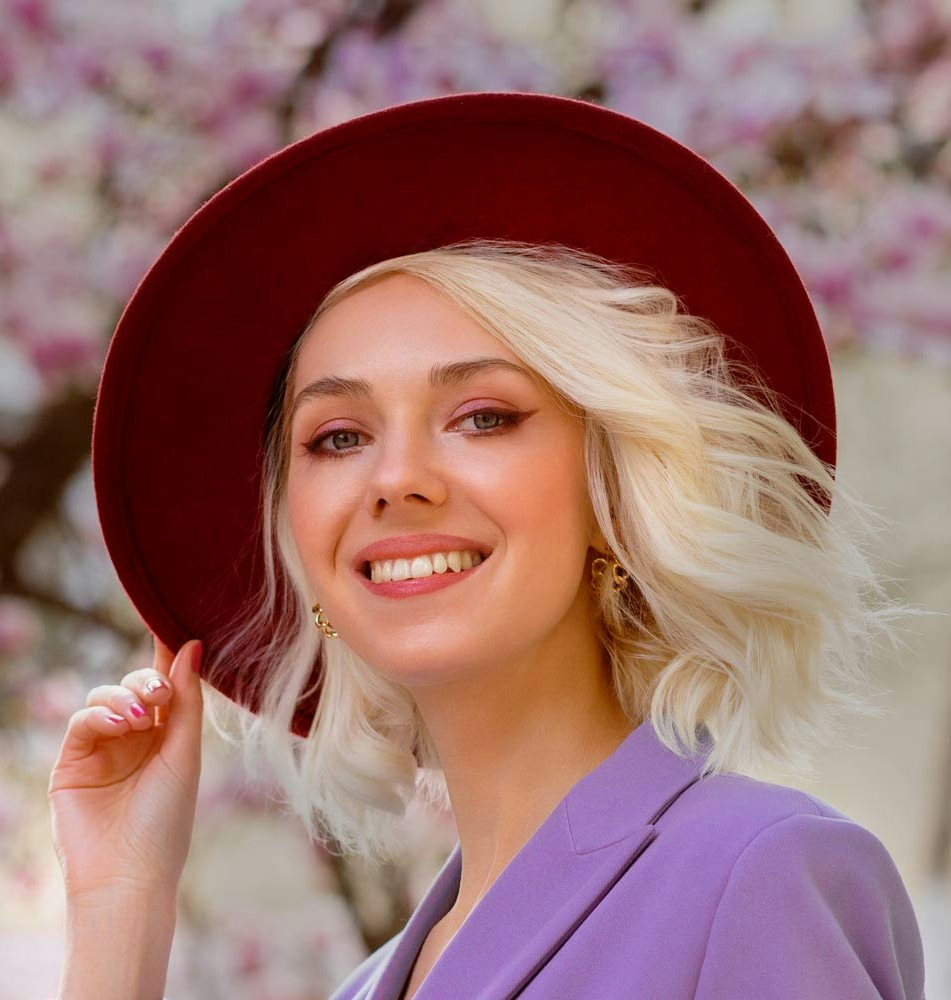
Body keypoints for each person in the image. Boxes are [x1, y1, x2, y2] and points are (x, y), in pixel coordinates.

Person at [49, 93, 927, 999]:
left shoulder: (759, 876)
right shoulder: (366, 989)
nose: (396, 478)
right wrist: (120, 905)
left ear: (613, 490)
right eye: (339, 437)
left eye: (483, 417)